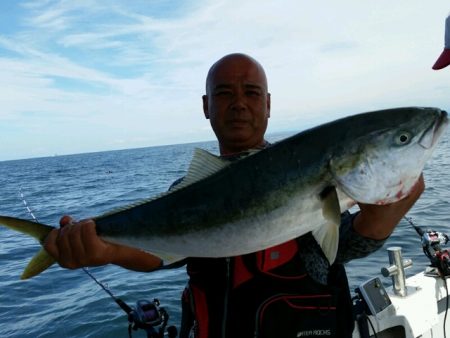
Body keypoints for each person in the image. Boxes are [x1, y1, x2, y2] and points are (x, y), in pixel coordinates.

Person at [44, 53, 424, 338]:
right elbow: (159, 256)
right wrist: (103, 250)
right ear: (207, 107)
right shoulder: (186, 193)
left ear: (268, 104)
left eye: (251, 93)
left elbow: (345, 244)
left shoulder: (306, 169)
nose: (239, 103)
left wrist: (380, 217)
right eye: (224, 94)